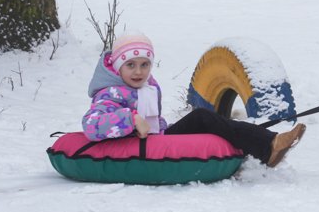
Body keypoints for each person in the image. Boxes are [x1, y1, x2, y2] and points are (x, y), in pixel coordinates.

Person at [82, 33, 306, 167]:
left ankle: (268, 143)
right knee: (201, 117)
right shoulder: (110, 93)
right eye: (130, 65)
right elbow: (91, 125)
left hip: (157, 139)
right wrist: (130, 119)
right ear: (119, 67)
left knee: (207, 121)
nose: (138, 71)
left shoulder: (147, 86)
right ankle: (268, 146)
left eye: (144, 65)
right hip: (139, 148)